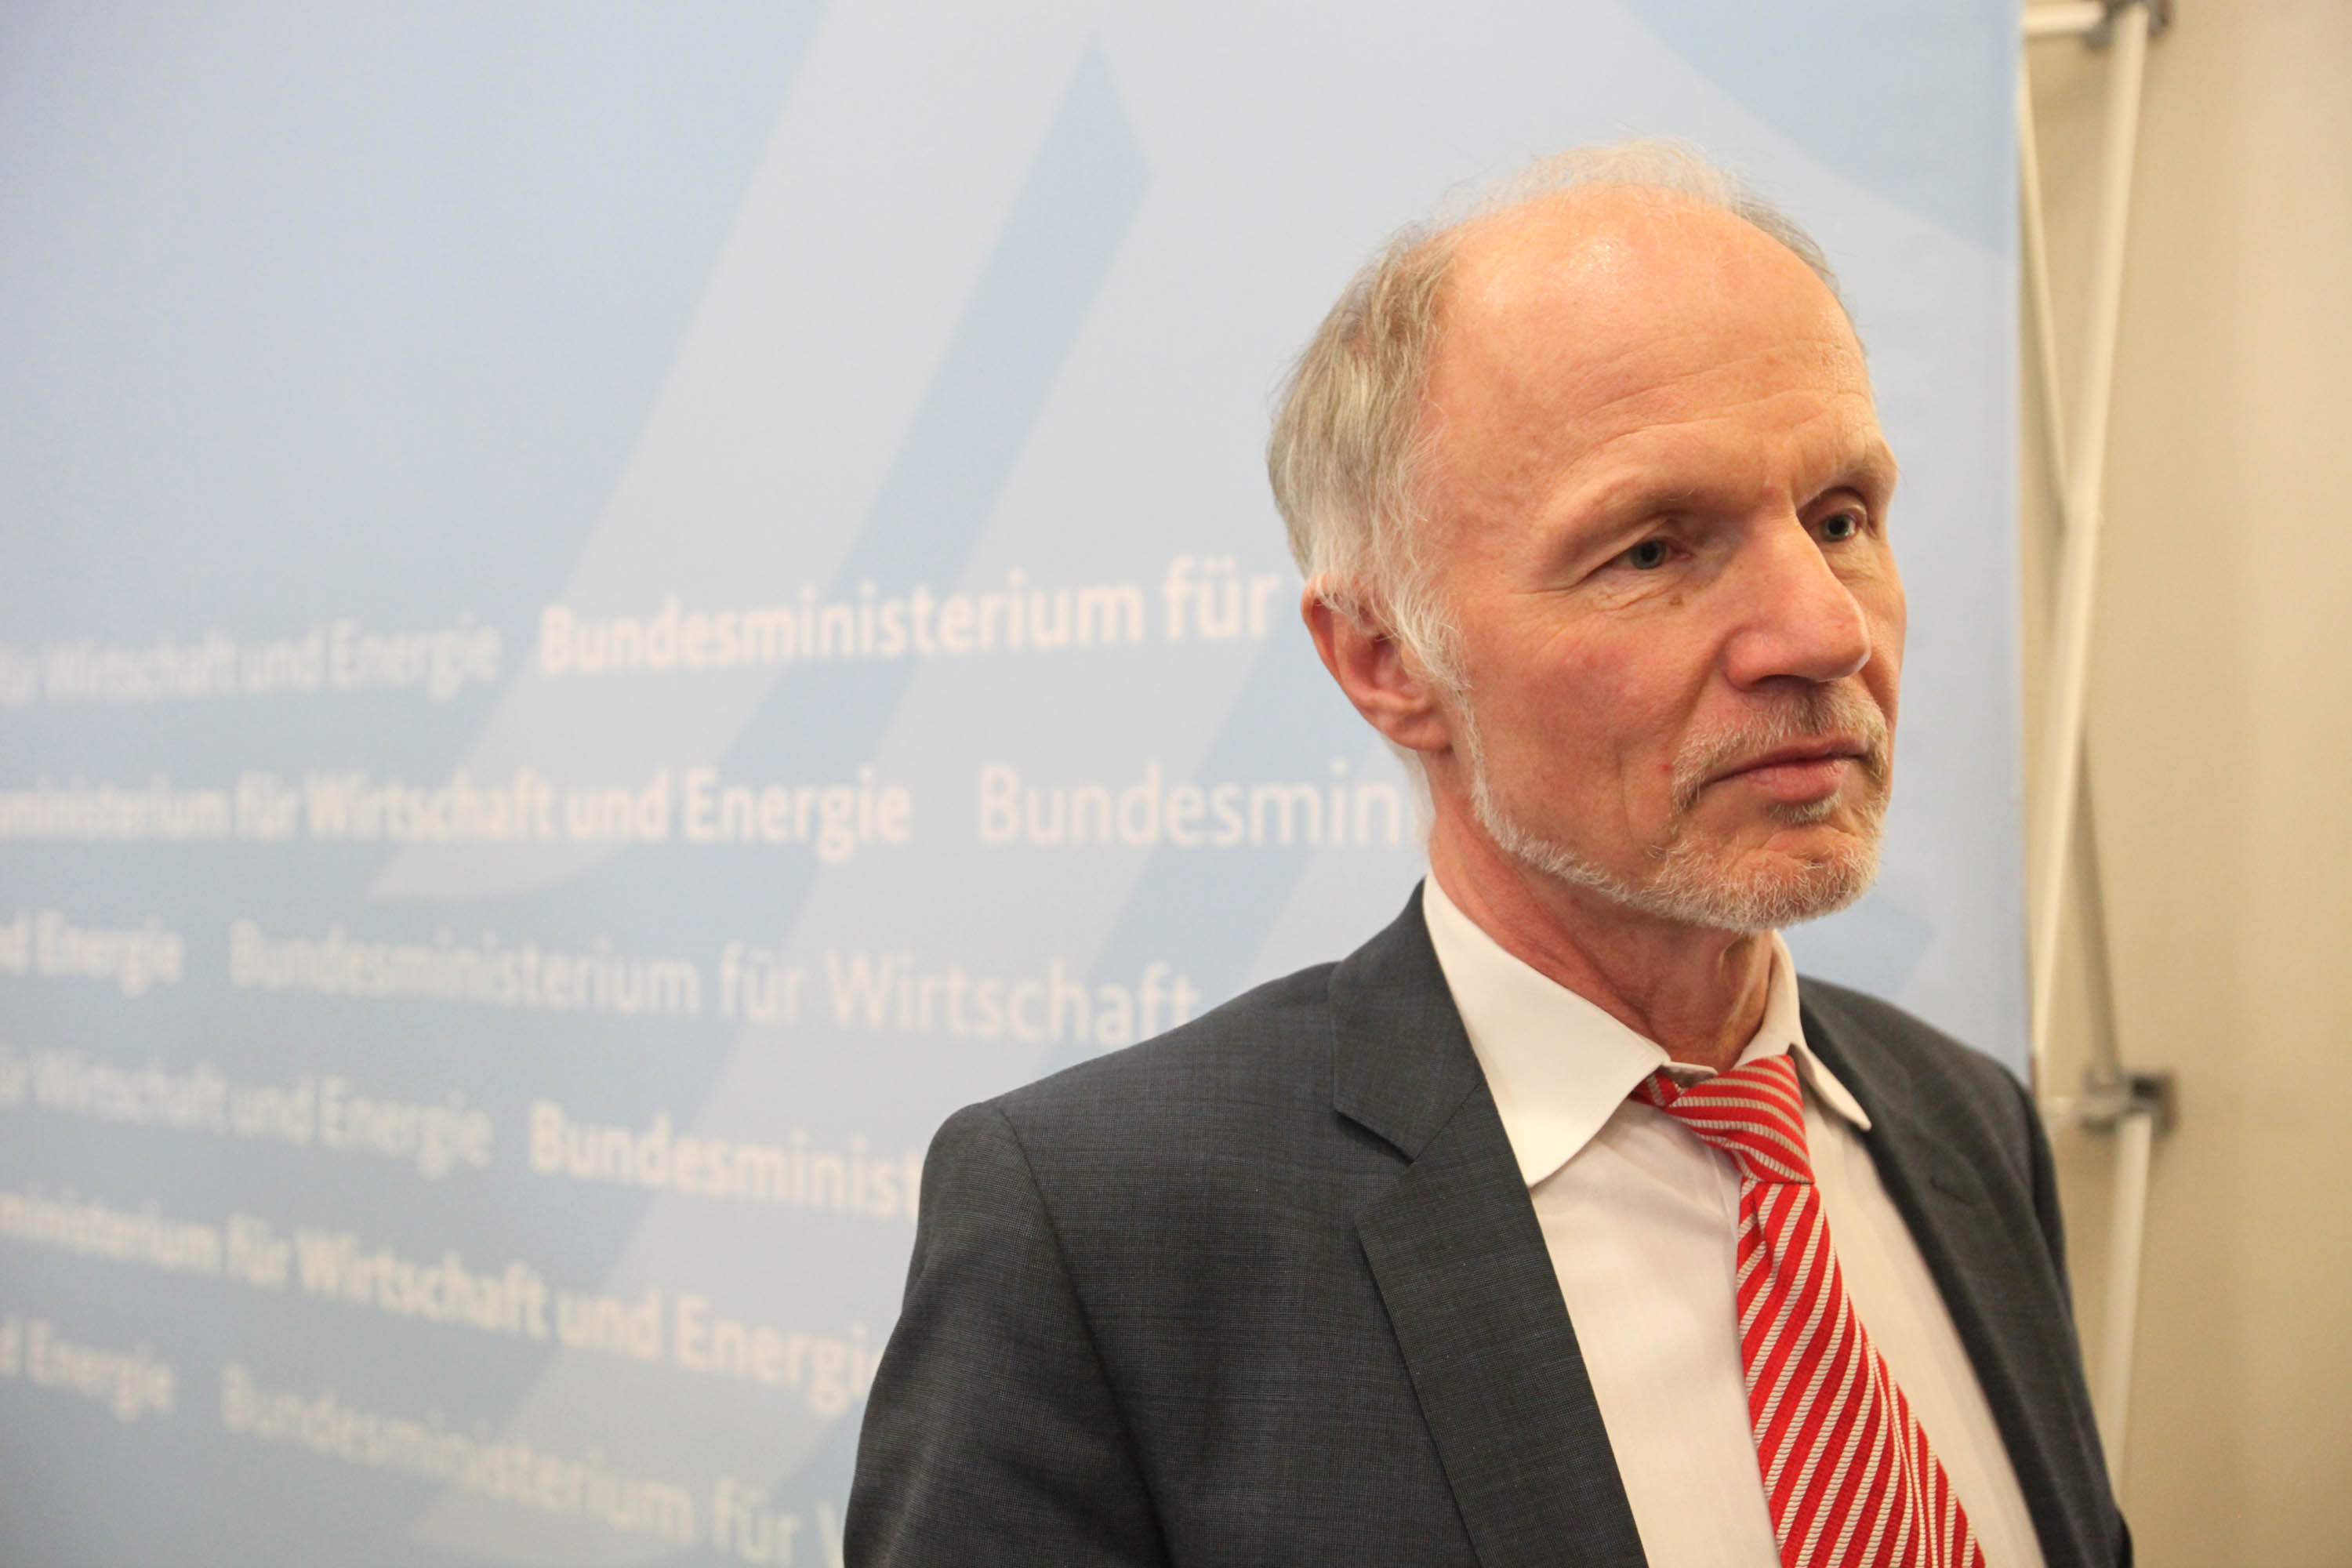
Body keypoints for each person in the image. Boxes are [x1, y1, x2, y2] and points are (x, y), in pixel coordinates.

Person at [844, 143, 2128, 1567]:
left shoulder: (1966, 1129)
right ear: (1385, 659)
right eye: (1654, 550)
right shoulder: (1106, 1233)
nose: (1826, 630)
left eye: (1842, 519)